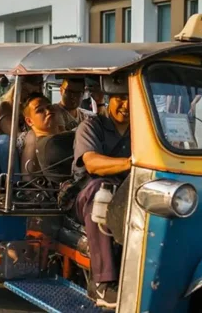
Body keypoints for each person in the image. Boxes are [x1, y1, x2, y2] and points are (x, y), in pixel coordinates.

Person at [72, 92, 131, 309]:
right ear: (108, 98)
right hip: (86, 196)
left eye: (131, 98)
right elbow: (93, 164)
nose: (126, 105)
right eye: (120, 98)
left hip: (128, 192)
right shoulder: (91, 127)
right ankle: (103, 283)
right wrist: (131, 162)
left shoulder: (143, 128)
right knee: (102, 192)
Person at [0, 75, 43, 178]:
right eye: (25, 91)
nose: (28, 95)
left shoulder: (37, 108)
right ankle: (26, 185)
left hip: (35, 144)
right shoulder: (6, 107)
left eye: (34, 93)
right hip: (12, 148)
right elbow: (15, 135)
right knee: (33, 137)